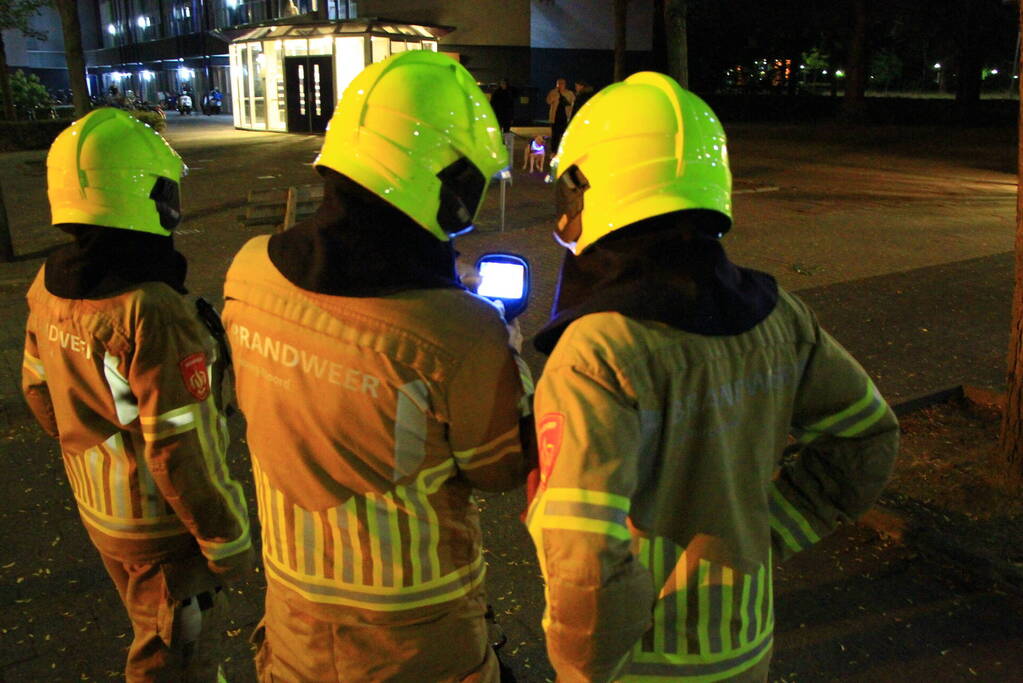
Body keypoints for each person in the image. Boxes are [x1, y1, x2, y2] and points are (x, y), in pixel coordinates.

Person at [526, 72, 900, 681]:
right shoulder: (779, 316)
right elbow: (869, 437)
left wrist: (582, 668)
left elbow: (584, 557)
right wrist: (765, 535)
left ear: (588, 188)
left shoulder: (597, 351)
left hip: (643, 664)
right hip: (744, 648)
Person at [222, 51, 533, 682]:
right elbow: (500, 468)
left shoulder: (248, 268)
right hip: (418, 637)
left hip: (293, 619)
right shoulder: (462, 333)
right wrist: (505, 351)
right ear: (452, 187)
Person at [21, 107, 253, 681]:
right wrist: (224, 538)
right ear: (150, 195)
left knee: (149, 626)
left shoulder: (49, 283)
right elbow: (181, 447)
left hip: (101, 511)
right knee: (173, 656)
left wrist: (95, 452)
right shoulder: (152, 308)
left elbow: (38, 391)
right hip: (162, 528)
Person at [545, 77, 574, 160]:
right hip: (555, 117)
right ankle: (553, 152)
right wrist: (554, 96)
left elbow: (573, 103)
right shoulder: (553, 92)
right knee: (555, 135)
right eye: (558, 84)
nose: (560, 85)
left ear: (565, 85)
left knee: (565, 135)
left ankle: (564, 151)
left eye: (561, 84)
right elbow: (548, 101)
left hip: (565, 117)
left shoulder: (569, 93)